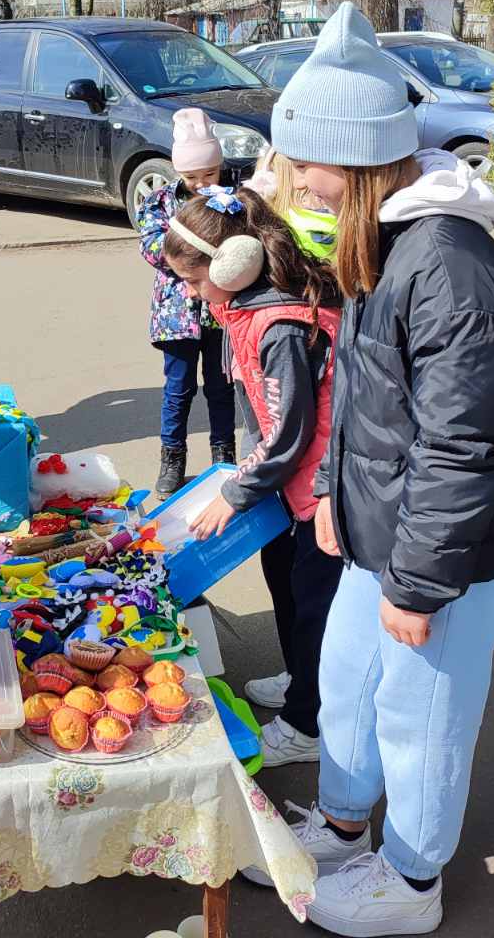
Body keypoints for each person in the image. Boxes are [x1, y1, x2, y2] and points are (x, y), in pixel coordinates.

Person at [251, 4, 494, 936]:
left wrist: (419, 585)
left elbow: (464, 448)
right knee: (348, 677)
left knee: (421, 714)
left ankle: (413, 880)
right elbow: (365, 397)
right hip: (383, 527)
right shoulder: (381, 244)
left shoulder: (448, 270)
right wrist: (335, 497)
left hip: (456, 552)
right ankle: (344, 826)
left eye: (305, 167)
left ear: (356, 163)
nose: (295, 186)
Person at [163, 186, 343, 768]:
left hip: (325, 491)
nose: (191, 294)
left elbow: (290, 431)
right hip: (289, 484)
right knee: (282, 576)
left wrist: (236, 494)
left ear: (232, 263)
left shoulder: (278, 325)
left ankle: (308, 725)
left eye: (194, 281)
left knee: (314, 607)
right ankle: (300, 680)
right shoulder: (244, 307)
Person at [137, 107, 239, 496]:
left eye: (209, 174)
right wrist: (195, 256)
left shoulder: (232, 200)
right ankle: (172, 458)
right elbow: (151, 246)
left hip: (221, 311)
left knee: (221, 386)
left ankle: (224, 456)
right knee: (178, 389)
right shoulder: (160, 201)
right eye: (192, 176)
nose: (200, 183)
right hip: (176, 314)